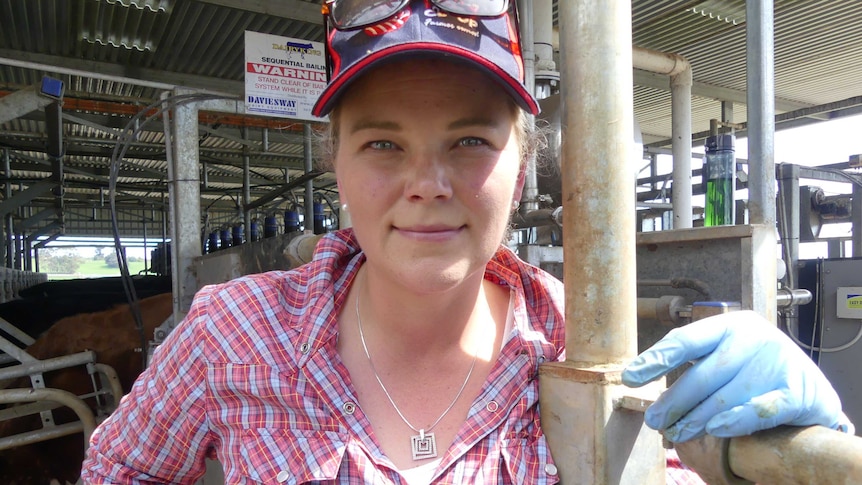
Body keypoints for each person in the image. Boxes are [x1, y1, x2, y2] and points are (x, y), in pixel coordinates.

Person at [81, 1, 853, 483]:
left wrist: (805, 454)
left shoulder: (587, 352)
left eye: (471, 142)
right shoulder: (235, 334)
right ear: (336, 164)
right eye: (383, 145)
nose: (429, 182)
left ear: (524, 163)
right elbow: (120, 466)